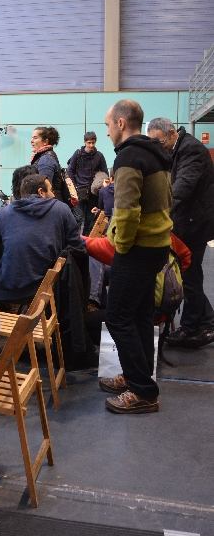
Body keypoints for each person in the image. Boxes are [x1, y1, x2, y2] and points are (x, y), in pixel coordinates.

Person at [100, 100, 172, 414]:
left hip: (137, 249)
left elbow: (127, 211)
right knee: (140, 315)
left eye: (107, 125)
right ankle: (136, 377)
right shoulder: (156, 152)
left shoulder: (128, 157)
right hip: (157, 245)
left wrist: (122, 245)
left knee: (117, 317)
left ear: (120, 123)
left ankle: (143, 391)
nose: (107, 132)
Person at [147, 118, 214, 347]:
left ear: (172, 133)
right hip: (187, 222)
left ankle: (193, 327)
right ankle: (206, 321)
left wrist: (158, 209)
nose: (159, 147)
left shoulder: (191, 150)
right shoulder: (175, 149)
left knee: (189, 276)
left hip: (194, 225)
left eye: (160, 142)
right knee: (188, 276)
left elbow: (182, 186)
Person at [0, 173, 85, 306]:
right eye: (51, 190)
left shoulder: (5, 212)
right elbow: (77, 247)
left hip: (8, 291)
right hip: (47, 291)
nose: (54, 195)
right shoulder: (62, 209)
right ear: (41, 192)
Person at [67, 131, 108, 234]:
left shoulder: (99, 156)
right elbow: (70, 170)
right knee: (78, 216)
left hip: (93, 192)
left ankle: (86, 240)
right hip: (79, 190)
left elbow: (105, 173)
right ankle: (73, 238)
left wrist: (99, 185)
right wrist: (74, 186)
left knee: (90, 219)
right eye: (89, 143)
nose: (91, 145)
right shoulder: (78, 153)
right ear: (84, 142)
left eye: (93, 143)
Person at [29, 126, 64, 201]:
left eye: (35, 138)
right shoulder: (45, 157)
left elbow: (45, 189)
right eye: (32, 138)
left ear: (45, 142)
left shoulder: (46, 159)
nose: (31, 141)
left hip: (49, 204)